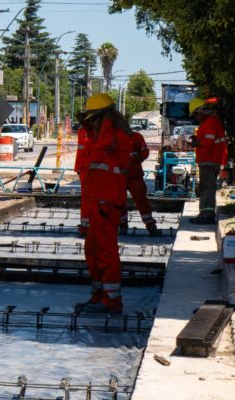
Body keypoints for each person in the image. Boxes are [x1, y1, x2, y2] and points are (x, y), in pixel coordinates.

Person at [76, 93, 132, 314]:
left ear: (104, 117)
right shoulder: (100, 136)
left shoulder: (113, 136)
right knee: (92, 250)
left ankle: (112, 300)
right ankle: (99, 294)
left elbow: (105, 150)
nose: (90, 124)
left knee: (106, 252)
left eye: (93, 119)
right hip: (96, 201)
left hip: (106, 202)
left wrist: (105, 125)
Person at [188, 98, 228, 225]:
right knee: (207, 188)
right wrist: (197, 139)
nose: (196, 117)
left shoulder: (210, 122)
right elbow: (209, 139)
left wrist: (196, 143)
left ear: (201, 111)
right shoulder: (211, 121)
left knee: (207, 189)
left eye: (196, 114)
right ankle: (205, 214)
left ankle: (207, 215)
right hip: (211, 159)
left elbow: (208, 142)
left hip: (209, 160)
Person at [119, 130, 161, 236]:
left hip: (134, 175)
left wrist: (140, 157)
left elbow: (145, 151)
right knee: (119, 202)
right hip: (119, 175)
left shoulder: (136, 137)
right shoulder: (114, 136)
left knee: (141, 201)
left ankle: (150, 225)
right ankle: (122, 224)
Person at [74, 126, 90, 236]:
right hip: (89, 168)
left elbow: (81, 149)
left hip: (85, 167)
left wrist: (78, 167)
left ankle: (86, 225)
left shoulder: (83, 130)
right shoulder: (102, 129)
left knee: (87, 198)